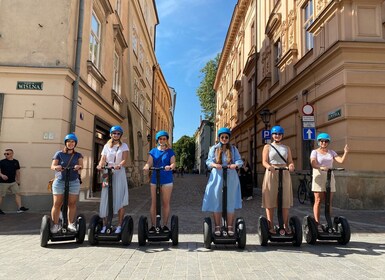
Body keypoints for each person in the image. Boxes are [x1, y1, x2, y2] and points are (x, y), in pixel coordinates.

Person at [202, 127, 243, 236]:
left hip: (231, 177)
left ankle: (230, 226)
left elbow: (239, 160)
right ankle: (217, 226)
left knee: (230, 201)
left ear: (229, 138)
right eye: (222, 137)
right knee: (217, 201)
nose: (224, 139)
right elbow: (208, 161)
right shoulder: (214, 149)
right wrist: (215, 165)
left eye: (226, 137)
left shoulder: (233, 149)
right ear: (219, 138)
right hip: (217, 177)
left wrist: (236, 164)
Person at [310, 132, 349, 231]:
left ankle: (329, 223)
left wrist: (345, 152)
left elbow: (341, 161)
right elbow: (313, 163)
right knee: (318, 200)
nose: (324, 143)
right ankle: (317, 223)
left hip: (329, 176)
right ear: (319, 142)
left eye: (326, 141)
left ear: (328, 142)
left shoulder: (331, 152)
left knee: (328, 201)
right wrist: (321, 167)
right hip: (319, 176)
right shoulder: (314, 152)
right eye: (322, 141)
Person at [261, 125, 295, 234]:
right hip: (272, 173)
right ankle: (270, 226)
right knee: (270, 199)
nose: (277, 136)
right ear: (272, 135)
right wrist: (269, 167)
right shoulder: (267, 147)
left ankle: (285, 225)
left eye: (279, 134)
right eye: (275, 134)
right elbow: (264, 161)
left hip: (284, 173)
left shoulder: (286, 148)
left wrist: (291, 166)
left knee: (285, 200)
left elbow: (290, 161)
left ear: (282, 135)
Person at [96, 125, 129, 234]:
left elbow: (124, 159)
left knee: (119, 197)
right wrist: (100, 165)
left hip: (119, 173)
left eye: (118, 133)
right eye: (114, 133)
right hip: (107, 173)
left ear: (120, 135)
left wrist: (119, 165)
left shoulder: (124, 146)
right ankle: (105, 225)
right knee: (105, 197)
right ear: (111, 134)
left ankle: (119, 225)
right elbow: (103, 159)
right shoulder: (106, 146)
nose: (116, 135)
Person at [143, 130, 176, 233]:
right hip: (155, 179)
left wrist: (170, 167)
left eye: (164, 139)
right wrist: (147, 166)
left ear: (166, 140)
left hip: (166, 179)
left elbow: (174, 163)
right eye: (160, 139)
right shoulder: (153, 151)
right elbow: (149, 162)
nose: (162, 140)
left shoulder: (170, 152)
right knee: (154, 203)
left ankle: (165, 225)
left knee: (165, 203)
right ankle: (153, 225)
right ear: (158, 140)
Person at [50, 134, 83, 233]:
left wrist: (78, 166)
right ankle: (56, 225)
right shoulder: (59, 154)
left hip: (73, 181)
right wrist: (56, 167)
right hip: (60, 181)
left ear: (75, 143)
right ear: (65, 143)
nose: (70, 143)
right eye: (68, 141)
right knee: (57, 204)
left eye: (73, 142)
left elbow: (81, 165)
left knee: (71, 203)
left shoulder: (78, 155)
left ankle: (70, 224)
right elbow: (52, 166)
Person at [0, 149, 29, 214]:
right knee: (1, 195)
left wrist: (18, 180)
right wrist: (2, 175)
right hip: (3, 182)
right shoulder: (2, 162)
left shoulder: (16, 161)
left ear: (12, 154)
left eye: (7, 154)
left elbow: (17, 171)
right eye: (5, 154)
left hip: (13, 182)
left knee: (18, 193)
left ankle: (20, 208)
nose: (6, 155)